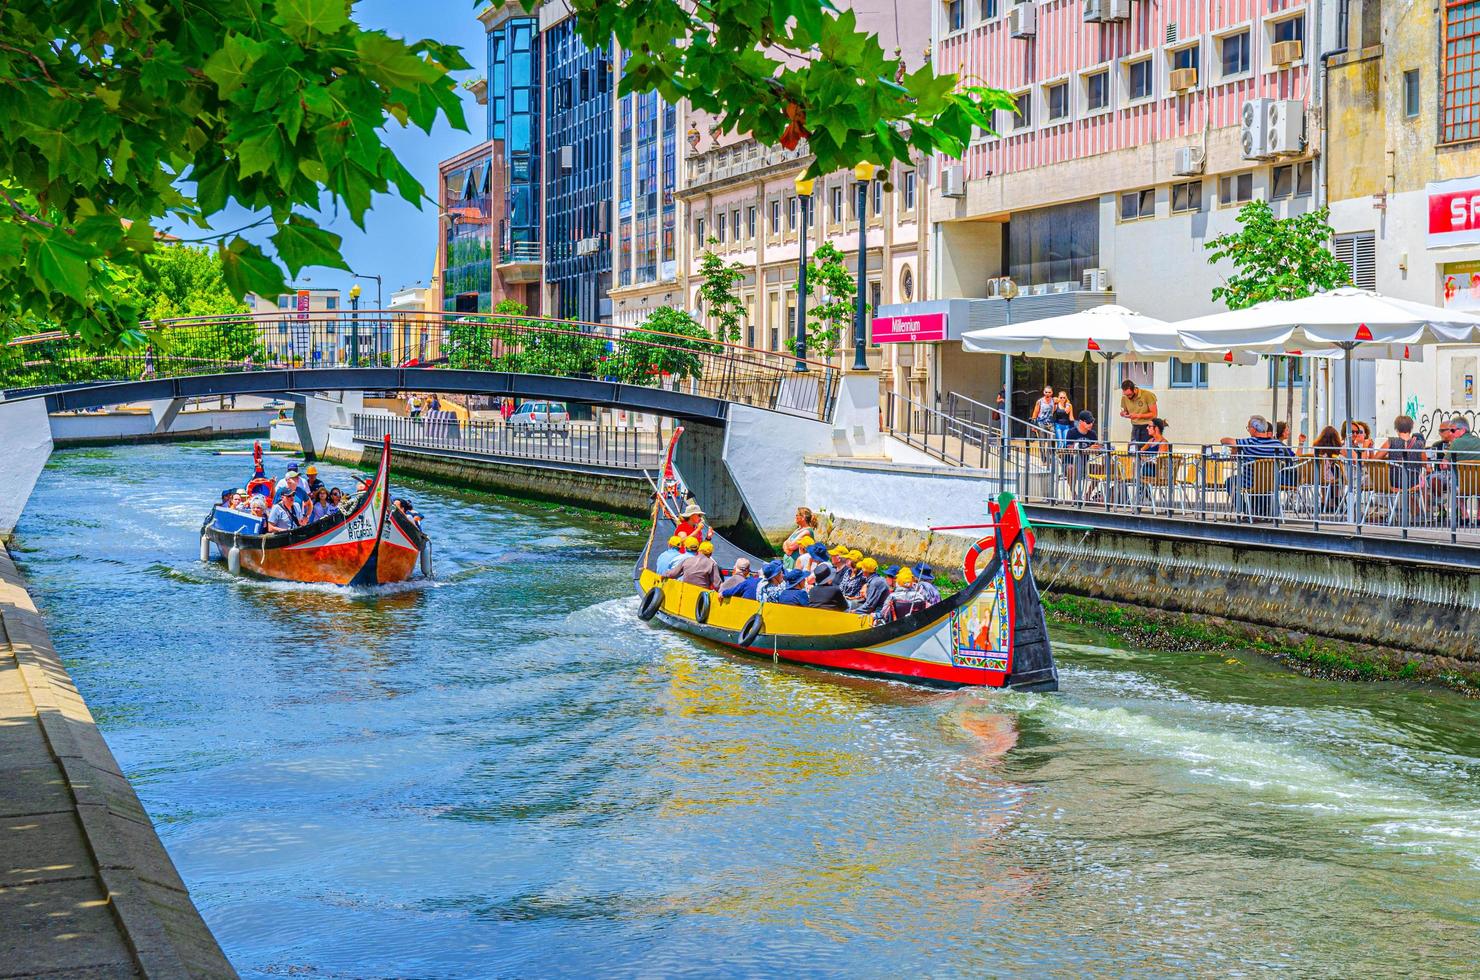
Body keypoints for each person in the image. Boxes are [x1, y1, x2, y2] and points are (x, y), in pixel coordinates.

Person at [1219, 415, 1294, 515]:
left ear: (1254, 429)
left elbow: (1224, 440)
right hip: (1271, 482)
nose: (1248, 430)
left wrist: (1234, 447)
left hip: (1250, 482)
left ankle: (1246, 511)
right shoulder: (1277, 444)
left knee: (1230, 482)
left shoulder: (1250, 442)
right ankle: (1261, 512)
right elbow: (1289, 460)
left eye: (1248, 428)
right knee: (1260, 486)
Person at [1373, 415, 1427, 521]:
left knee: (1407, 482)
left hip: (1394, 482)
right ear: (1411, 428)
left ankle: (1416, 512)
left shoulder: (1391, 442)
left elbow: (1376, 458)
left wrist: (1390, 458)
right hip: (1413, 482)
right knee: (1425, 482)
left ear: (1396, 429)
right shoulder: (1420, 444)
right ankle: (1422, 512)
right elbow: (1424, 463)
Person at [1060, 410, 1103, 493]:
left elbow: (1096, 450)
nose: (1091, 424)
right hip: (1070, 462)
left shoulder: (1092, 434)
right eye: (1088, 422)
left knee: (1099, 469)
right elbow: (1070, 449)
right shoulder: (1072, 432)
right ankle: (1074, 495)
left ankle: (1088, 494)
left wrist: (1098, 449)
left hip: (1085, 464)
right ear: (1081, 422)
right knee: (1071, 468)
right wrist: (1087, 449)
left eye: (1092, 422)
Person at [1119, 379, 1158, 446]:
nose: (1128, 397)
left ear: (1134, 389)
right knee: (1133, 450)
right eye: (1126, 395)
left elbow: (1154, 414)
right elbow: (1125, 411)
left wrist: (1138, 416)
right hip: (1135, 427)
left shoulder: (1147, 395)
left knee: (1146, 451)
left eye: (1129, 395)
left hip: (1148, 427)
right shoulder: (1124, 398)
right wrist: (1123, 414)